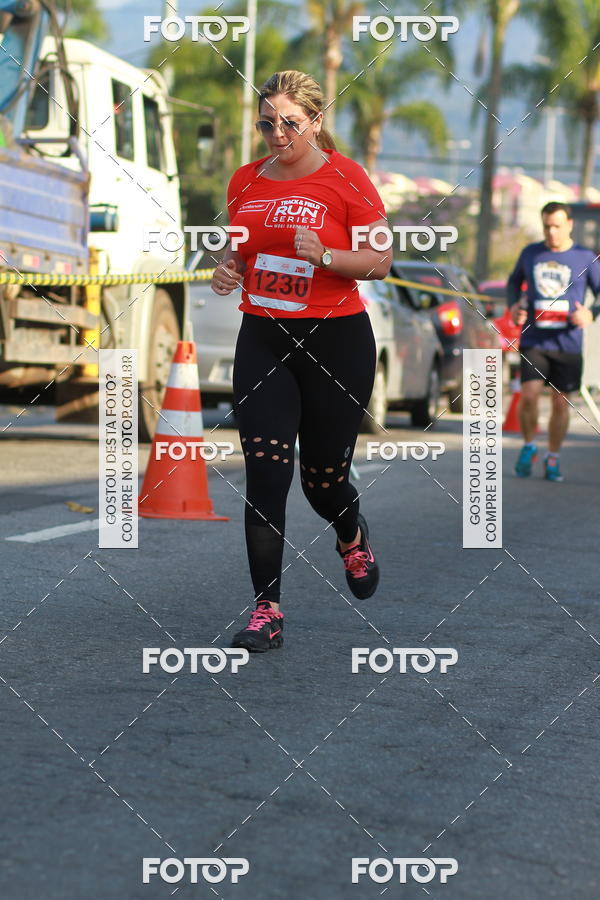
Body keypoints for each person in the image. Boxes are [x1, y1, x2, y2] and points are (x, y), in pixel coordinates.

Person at [210, 70, 391, 652]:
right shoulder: (245, 180)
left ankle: (349, 531)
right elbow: (238, 251)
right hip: (263, 336)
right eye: (267, 123)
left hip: (336, 340)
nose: (277, 133)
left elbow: (381, 262)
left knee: (322, 478)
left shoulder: (347, 177)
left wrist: (330, 254)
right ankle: (267, 611)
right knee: (265, 471)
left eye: (290, 122)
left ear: (315, 120)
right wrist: (226, 269)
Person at [508, 201, 600, 482]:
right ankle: (528, 446)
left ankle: (553, 457)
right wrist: (514, 306)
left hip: (568, 342)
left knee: (561, 404)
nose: (552, 232)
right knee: (530, 395)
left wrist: (590, 313)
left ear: (569, 225)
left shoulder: (585, 258)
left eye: (557, 226)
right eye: (547, 226)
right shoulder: (531, 253)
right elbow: (513, 283)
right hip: (534, 339)